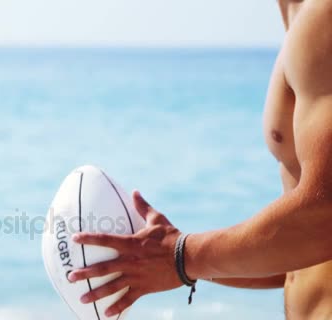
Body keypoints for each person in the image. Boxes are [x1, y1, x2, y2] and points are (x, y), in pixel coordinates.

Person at [67, 1, 332, 319]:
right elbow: (305, 256)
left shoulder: (324, 17)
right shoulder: (302, 19)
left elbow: (325, 215)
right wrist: (177, 259)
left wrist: (183, 256)